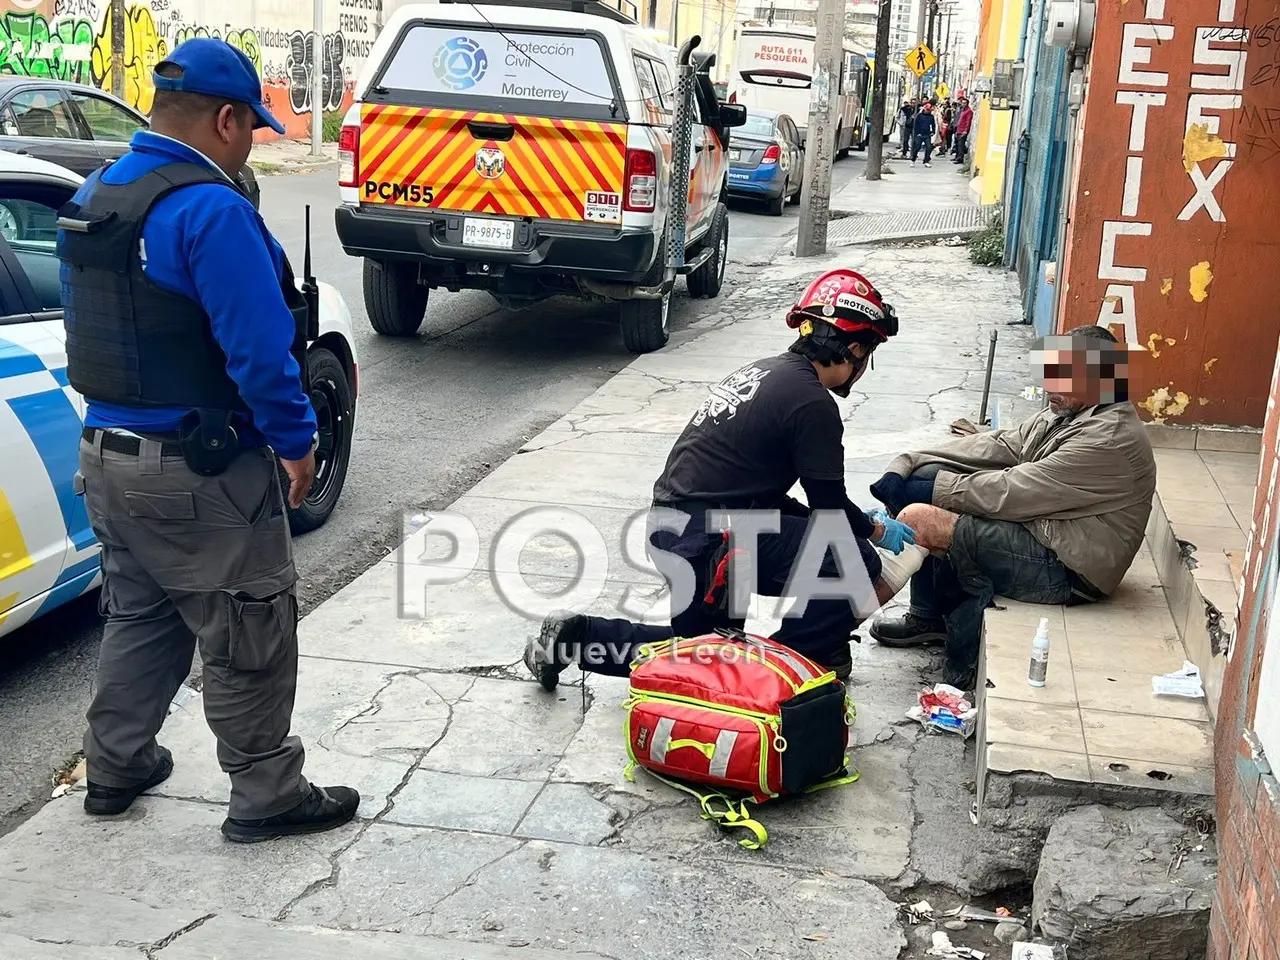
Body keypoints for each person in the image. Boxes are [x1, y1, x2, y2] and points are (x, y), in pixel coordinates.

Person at [58, 38, 359, 841]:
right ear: (224, 118)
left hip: (107, 458)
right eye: (250, 129)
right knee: (250, 628)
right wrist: (298, 443)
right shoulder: (209, 208)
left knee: (143, 617)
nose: (253, 142)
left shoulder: (99, 193)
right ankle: (268, 795)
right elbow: (259, 352)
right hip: (201, 468)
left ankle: (115, 766)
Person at [524, 271, 916, 689]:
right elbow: (830, 510)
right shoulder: (812, 403)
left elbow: (760, 495)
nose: (863, 370)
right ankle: (786, 671)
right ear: (854, 348)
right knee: (853, 560)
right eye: (867, 355)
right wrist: (874, 528)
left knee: (706, 652)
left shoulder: (767, 372)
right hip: (708, 541)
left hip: (680, 527)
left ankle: (575, 640)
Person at [866, 325, 1156, 690]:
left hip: (1069, 569)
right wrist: (910, 462)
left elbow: (1013, 492)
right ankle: (929, 618)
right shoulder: (1071, 409)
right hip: (1045, 530)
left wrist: (931, 489)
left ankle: (843, 621)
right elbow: (1000, 445)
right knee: (928, 476)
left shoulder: (1109, 438)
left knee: (919, 518)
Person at [911, 101, 936, 166]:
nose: (928, 111)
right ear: (924, 109)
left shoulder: (931, 116)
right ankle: (913, 160)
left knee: (929, 147)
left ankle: (926, 161)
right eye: (927, 110)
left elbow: (933, 125)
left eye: (929, 110)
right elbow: (915, 125)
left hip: (927, 134)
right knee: (917, 147)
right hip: (919, 134)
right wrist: (917, 133)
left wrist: (933, 131)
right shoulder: (919, 116)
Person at [953, 97, 974, 164]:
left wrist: (965, 130)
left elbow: (968, 122)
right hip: (959, 129)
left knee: (961, 144)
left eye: (965, 103)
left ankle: (960, 158)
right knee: (957, 144)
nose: (963, 104)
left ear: (967, 104)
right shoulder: (962, 110)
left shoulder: (969, 111)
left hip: (963, 130)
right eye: (962, 103)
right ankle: (957, 156)